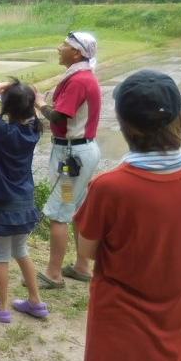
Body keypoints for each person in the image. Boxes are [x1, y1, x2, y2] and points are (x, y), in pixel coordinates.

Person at [75, 70, 181, 361]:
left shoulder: (110, 187)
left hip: (121, 325)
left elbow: (86, 252)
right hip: (177, 322)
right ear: (179, 116)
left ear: (124, 125)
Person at [0, 80, 48, 324]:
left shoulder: (1, 131)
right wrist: (26, 96)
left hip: (3, 201)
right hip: (25, 199)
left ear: (7, 107)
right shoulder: (34, 129)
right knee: (21, 251)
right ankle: (35, 301)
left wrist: (1, 85)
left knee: (1, 255)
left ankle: (2, 307)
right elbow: (29, 108)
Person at [36, 31, 102, 288]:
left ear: (77, 53)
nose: (58, 47)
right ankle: (82, 266)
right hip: (81, 151)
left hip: (71, 156)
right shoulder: (83, 76)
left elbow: (59, 117)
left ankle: (53, 275)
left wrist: (39, 104)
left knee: (59, 212)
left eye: (64, 44)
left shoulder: (78, 81)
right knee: (75, 208)